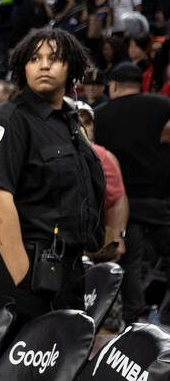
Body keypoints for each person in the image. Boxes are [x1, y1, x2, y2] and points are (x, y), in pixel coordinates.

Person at [0, 28, 105, 324]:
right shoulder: (8, 119)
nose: (44, 65)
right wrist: (21, 276)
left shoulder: (70, 123)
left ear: (70, 66)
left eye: (54, 58)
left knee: (59, 364)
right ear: (23, 67)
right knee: (21, 366)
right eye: (34, 59)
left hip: (66, 268)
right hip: (29, 270)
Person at [93, 62, 170, 322]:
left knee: (129, 264)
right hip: (160, 199)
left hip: (122, 204)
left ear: (113, 85)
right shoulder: (162, 105)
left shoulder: (100, 114)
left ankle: (134, 320)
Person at [76, 100, 128, 266]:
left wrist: (118, 237)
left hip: (91, 241)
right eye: (77, 122)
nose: (84, 127)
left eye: (87, 123)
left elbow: (117, 199)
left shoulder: (102, 156)